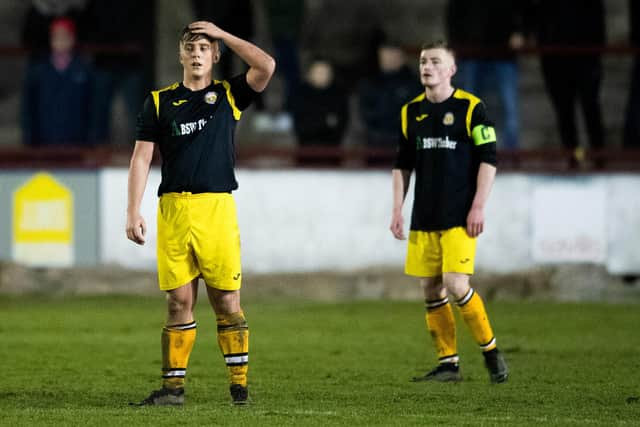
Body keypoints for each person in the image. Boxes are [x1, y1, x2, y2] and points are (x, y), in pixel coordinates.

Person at [126, 21, 275, 406]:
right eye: (190, 47)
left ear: (215, 56)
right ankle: (173, 390)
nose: (196, 53)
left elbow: (266, 66)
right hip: (174, 209)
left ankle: (239, 386)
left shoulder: (229, 95)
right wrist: (133, 210)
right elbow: (142, 157)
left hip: (216, 208)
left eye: (205, 48)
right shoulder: (158, 102)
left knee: (226, 300)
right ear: (180, 55)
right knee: (178, 301)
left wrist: (224, 33)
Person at [390, 41, 508, 383]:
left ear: (451, 70)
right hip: (424, 215)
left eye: (435, 62)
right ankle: (448, 364)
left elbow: (489, 159)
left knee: (456, 284)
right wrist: (397, 208)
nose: (427, 67)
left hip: (460, 215)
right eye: (424, 61)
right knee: (430, 288)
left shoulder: (472, 108)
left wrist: (479, 205)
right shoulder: (410, 112)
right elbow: (402, 165)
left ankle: (491, 352)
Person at [530, 0, 605, 167]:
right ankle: (574, 158)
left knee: (590, 107)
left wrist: (597, 52)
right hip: (555, 59)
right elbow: (536, 17)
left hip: (585, 57)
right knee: (565, 112)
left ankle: (598, 157)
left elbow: (597, 16)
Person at [446, 0, 525, 150]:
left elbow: (523, 8)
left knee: (509, 106)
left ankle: (511, 154)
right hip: (472, 51)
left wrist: (521, 32)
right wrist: (456, 43)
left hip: (503, 52)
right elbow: (454, 11)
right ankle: (469, 151)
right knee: (470, 106)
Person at [21, 17, 93, 146]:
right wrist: (29, 140)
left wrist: (90, 140)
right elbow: (28, 109)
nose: (60, 40)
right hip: (44, 142)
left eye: (65, 36)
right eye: (56, 36)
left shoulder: (84, 70)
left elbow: (91, 108)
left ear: (73, 39)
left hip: (76, 143)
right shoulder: (38, 71)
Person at [358, 39, 423, 165]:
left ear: (401, 57)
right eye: (384, 57)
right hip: (375, 146)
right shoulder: (369, 83)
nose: (387, 60)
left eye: (391, 56)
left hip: (406, 146)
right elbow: (365, 114)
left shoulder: (414, 84)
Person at [291, 58, 349, 166]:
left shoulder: (338, 95)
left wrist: (314, 122)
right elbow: (300, 125)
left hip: (332, 154)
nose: (321, 75)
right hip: (306, 153)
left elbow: (341, 124)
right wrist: (325, 122)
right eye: (318, 72)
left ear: (331, 75)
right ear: (310, 74)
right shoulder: (300, 94)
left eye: (325, 72)